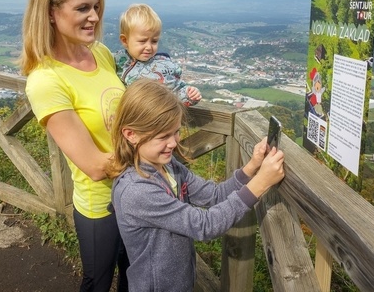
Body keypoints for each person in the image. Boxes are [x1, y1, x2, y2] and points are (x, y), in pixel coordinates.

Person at [107, 78, 285, 292]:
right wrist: (260, 183)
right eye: (163, 136)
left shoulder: (169, 166)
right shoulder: (137, 191)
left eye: (176, 131)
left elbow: (215, 195)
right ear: (131, 134)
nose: (173, 143)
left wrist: (252, 167)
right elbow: (204, 225)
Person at [19, 0, 129, 292]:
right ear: (51, 12)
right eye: (82, 8)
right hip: (101, 206)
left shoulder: (101, 54)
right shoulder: (46, 80)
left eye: (96, 6)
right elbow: (96, 167)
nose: (94, 17)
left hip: (136, 193)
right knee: (97, 282)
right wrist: (162, 160)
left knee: (134, 276)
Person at [113, 3, 201, 106]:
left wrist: (189, 95)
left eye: (154, 41)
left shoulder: (163, 66)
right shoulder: (116, 60)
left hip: (155, 118)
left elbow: (176, 91)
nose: (149, 47)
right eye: (142, 41)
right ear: (125, 40)